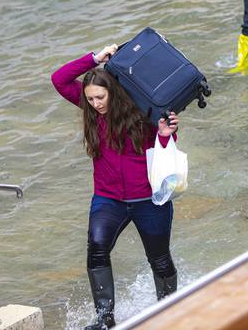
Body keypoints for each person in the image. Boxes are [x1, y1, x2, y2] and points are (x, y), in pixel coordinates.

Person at [51, 44, 179, 330]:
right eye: (90, 99)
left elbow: (166, 151)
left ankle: (170, 311)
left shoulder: (142, 112)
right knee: (96, 248)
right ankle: (105, 318)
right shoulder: (91, 111)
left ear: (113, 92)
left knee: (159, 259)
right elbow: (59, 79)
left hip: (149, 199)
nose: (95, 103)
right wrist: (94, 58)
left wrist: (164, 134)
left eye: (100, 97)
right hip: (108, 199)